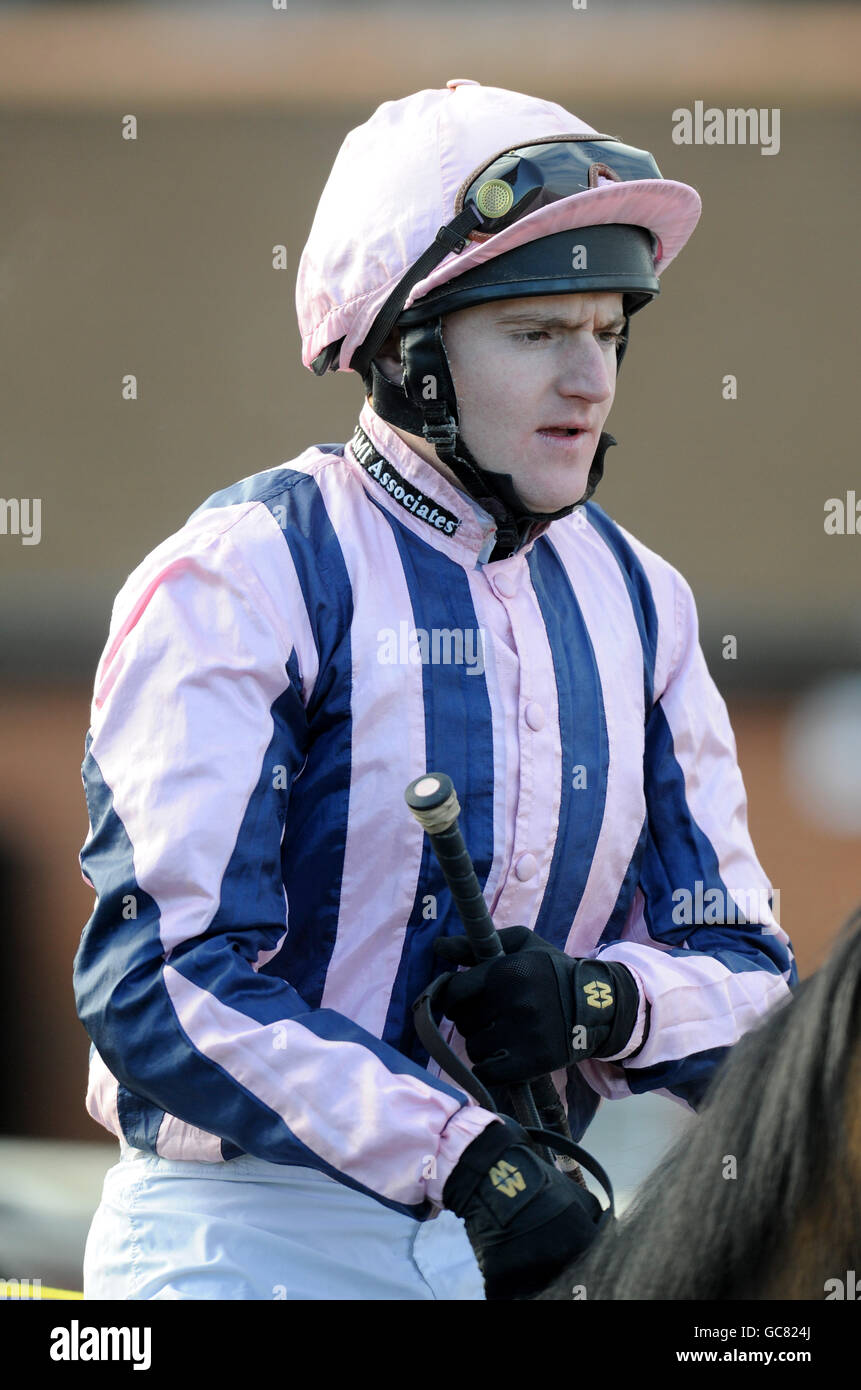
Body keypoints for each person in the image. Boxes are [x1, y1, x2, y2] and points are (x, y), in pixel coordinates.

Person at [73, 79, 797, 1302]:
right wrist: (464, 1155)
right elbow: (162, 980)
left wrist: (597, 1003)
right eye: (537, 334)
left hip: (530, 1234)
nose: (592, 380)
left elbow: (749, 977)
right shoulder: (242, 573)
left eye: (609, 331)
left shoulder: (644, 600)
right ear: (408, 358)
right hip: (248, 1239)